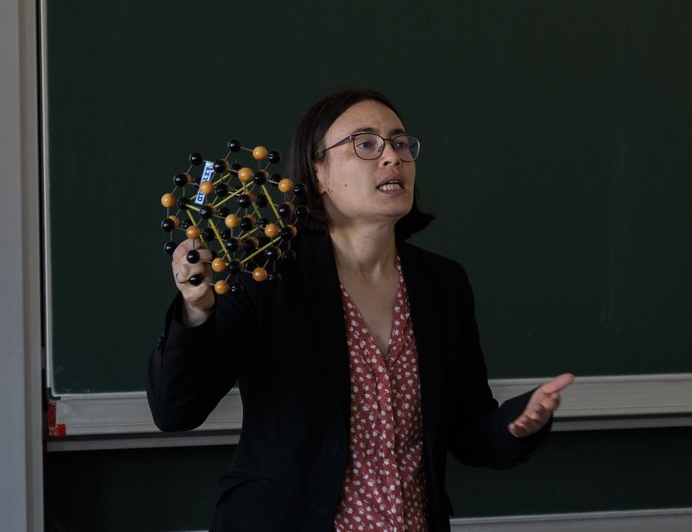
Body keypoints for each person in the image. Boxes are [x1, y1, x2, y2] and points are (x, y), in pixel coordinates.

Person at [147, 88, 574, 532]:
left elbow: (469, 431)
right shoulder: (268, 272)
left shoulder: (442, 284)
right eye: (365, 144)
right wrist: (196, 311)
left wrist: (518, 423)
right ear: (319, 173)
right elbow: (175, 411)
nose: (392, 157)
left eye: (400, 143)